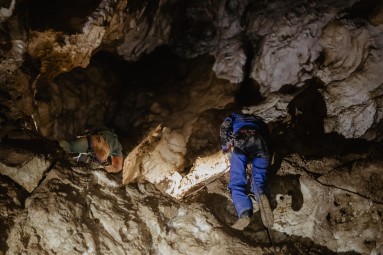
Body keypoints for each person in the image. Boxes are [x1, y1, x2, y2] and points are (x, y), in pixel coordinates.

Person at [220, 111, 273, 230]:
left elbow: (224, 131)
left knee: (236, 181)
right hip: (262, 145)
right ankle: (262, 195)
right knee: (259, 179)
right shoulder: (260, 121)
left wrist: (228, 153)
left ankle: (244, 213)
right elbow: (269, 141)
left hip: (243, 142)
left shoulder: (232, 117)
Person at [59, 127, 123, 173]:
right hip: (95, 145)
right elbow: (118, 167)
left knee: (70, 146)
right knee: (93, 168)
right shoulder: (117, 147)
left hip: (92, 142)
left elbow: (118, 166)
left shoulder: (116, 145)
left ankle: (57, 148)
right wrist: (106, 169)